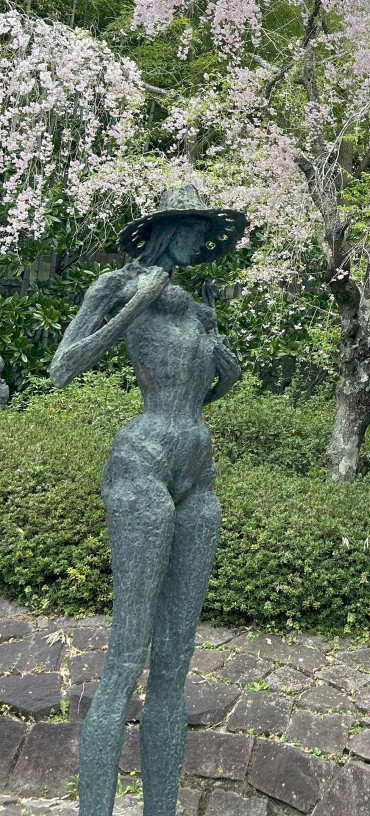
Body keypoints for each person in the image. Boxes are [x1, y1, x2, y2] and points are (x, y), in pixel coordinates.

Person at [49, 185, 247, 816]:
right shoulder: (117, 283)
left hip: (198, 469)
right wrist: (134, 306)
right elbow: (63, 367)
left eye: (207, 230)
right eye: (193, 228)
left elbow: (198, 395)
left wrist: (227, 372)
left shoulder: (201, 310)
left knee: (174, 663)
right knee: (126, 656)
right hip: (140, 463)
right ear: (166, 229)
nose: (202, 240)